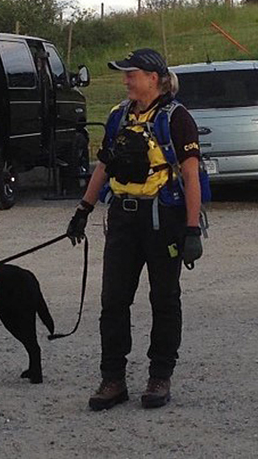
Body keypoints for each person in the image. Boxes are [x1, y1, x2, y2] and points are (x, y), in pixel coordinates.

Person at [67, 48, 204, 411]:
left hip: (163, 220)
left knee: (164, 299)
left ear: (153, 78)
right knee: (113, 301)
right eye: (125, 73)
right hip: (122, 220)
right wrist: (83, 209)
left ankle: (160, 376)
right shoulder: (118, 116)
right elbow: (103, 166)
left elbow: (191, 175)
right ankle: (113, 380)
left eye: (132, 74)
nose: (126, 79)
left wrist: (192, 230)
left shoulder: (176, 118)